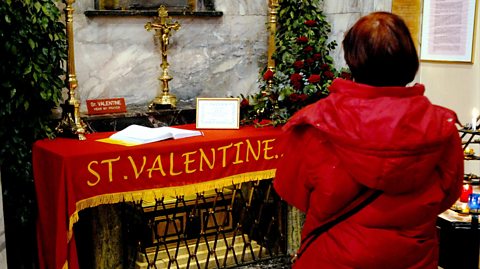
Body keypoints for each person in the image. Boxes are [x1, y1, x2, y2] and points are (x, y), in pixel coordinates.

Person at [273, 11, 464, 269]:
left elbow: (292, 190)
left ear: (353, 58)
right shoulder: (442, 126)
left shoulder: (317, 124)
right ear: (409, 60)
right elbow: (448, 194)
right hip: (411, 258)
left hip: (332, 257)